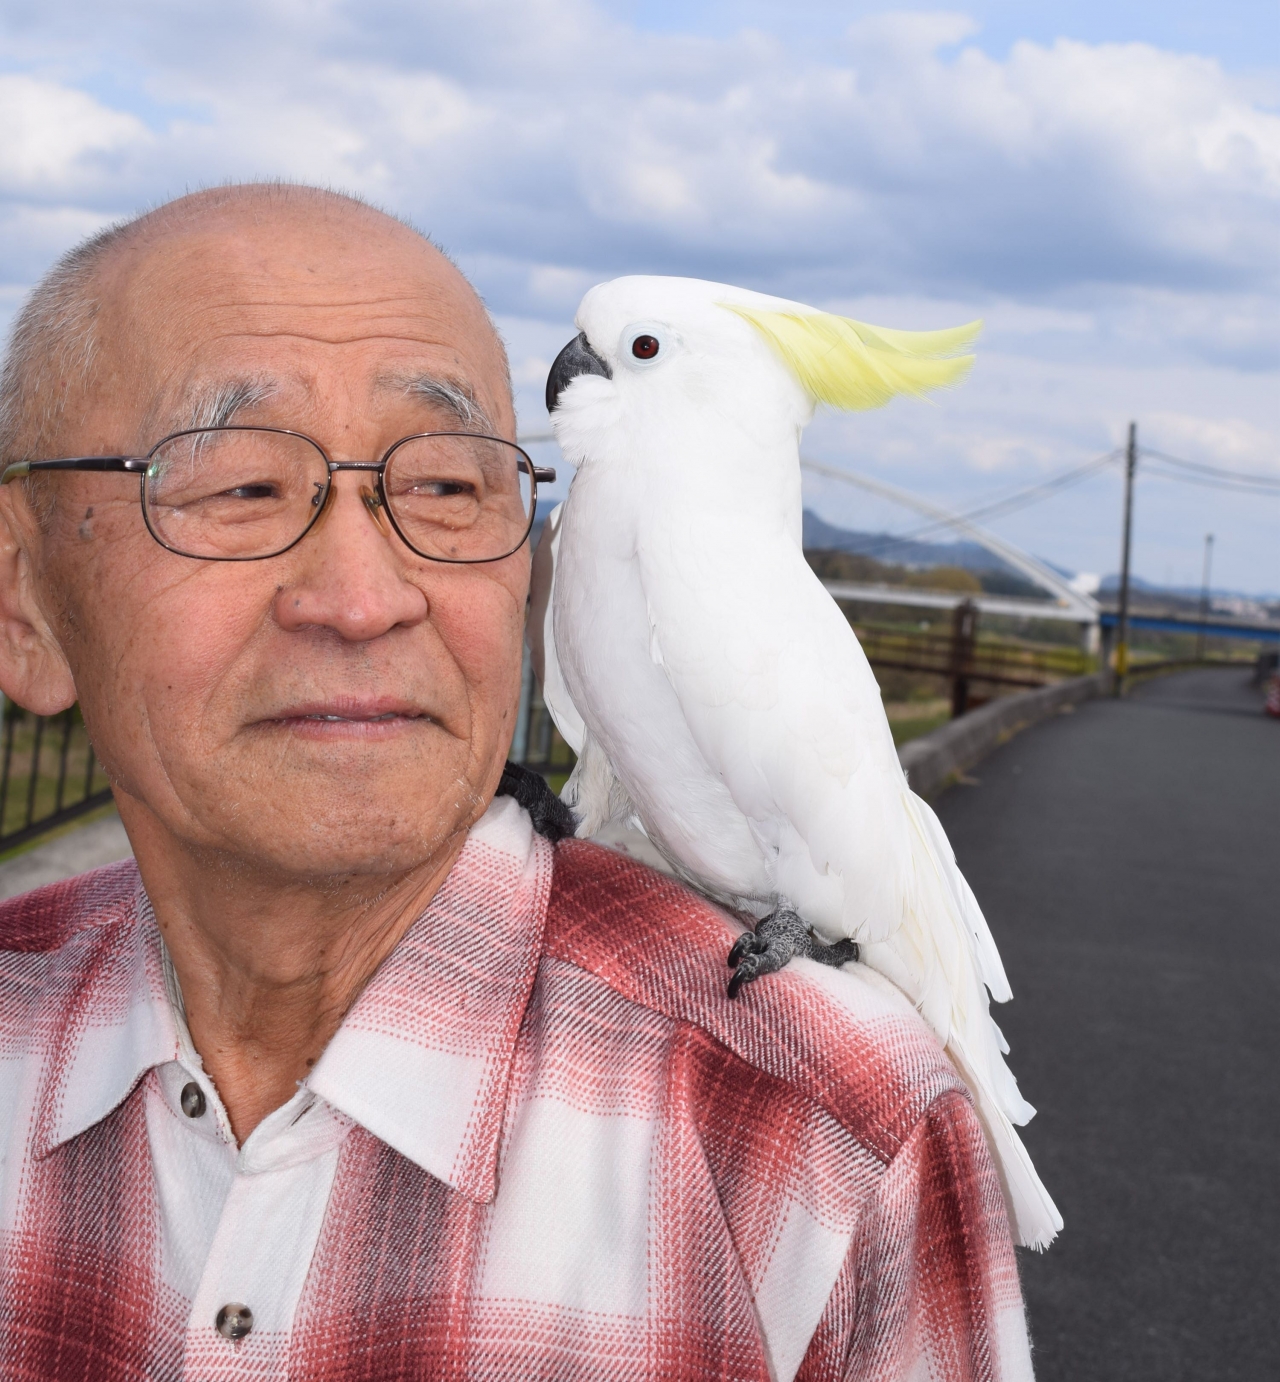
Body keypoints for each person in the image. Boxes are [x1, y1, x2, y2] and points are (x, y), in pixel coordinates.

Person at [0, 184, 1033, 1381]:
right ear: (25, 607)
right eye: (239, 486)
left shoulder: (830, 1139)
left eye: (443, 485)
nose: (361, 596)